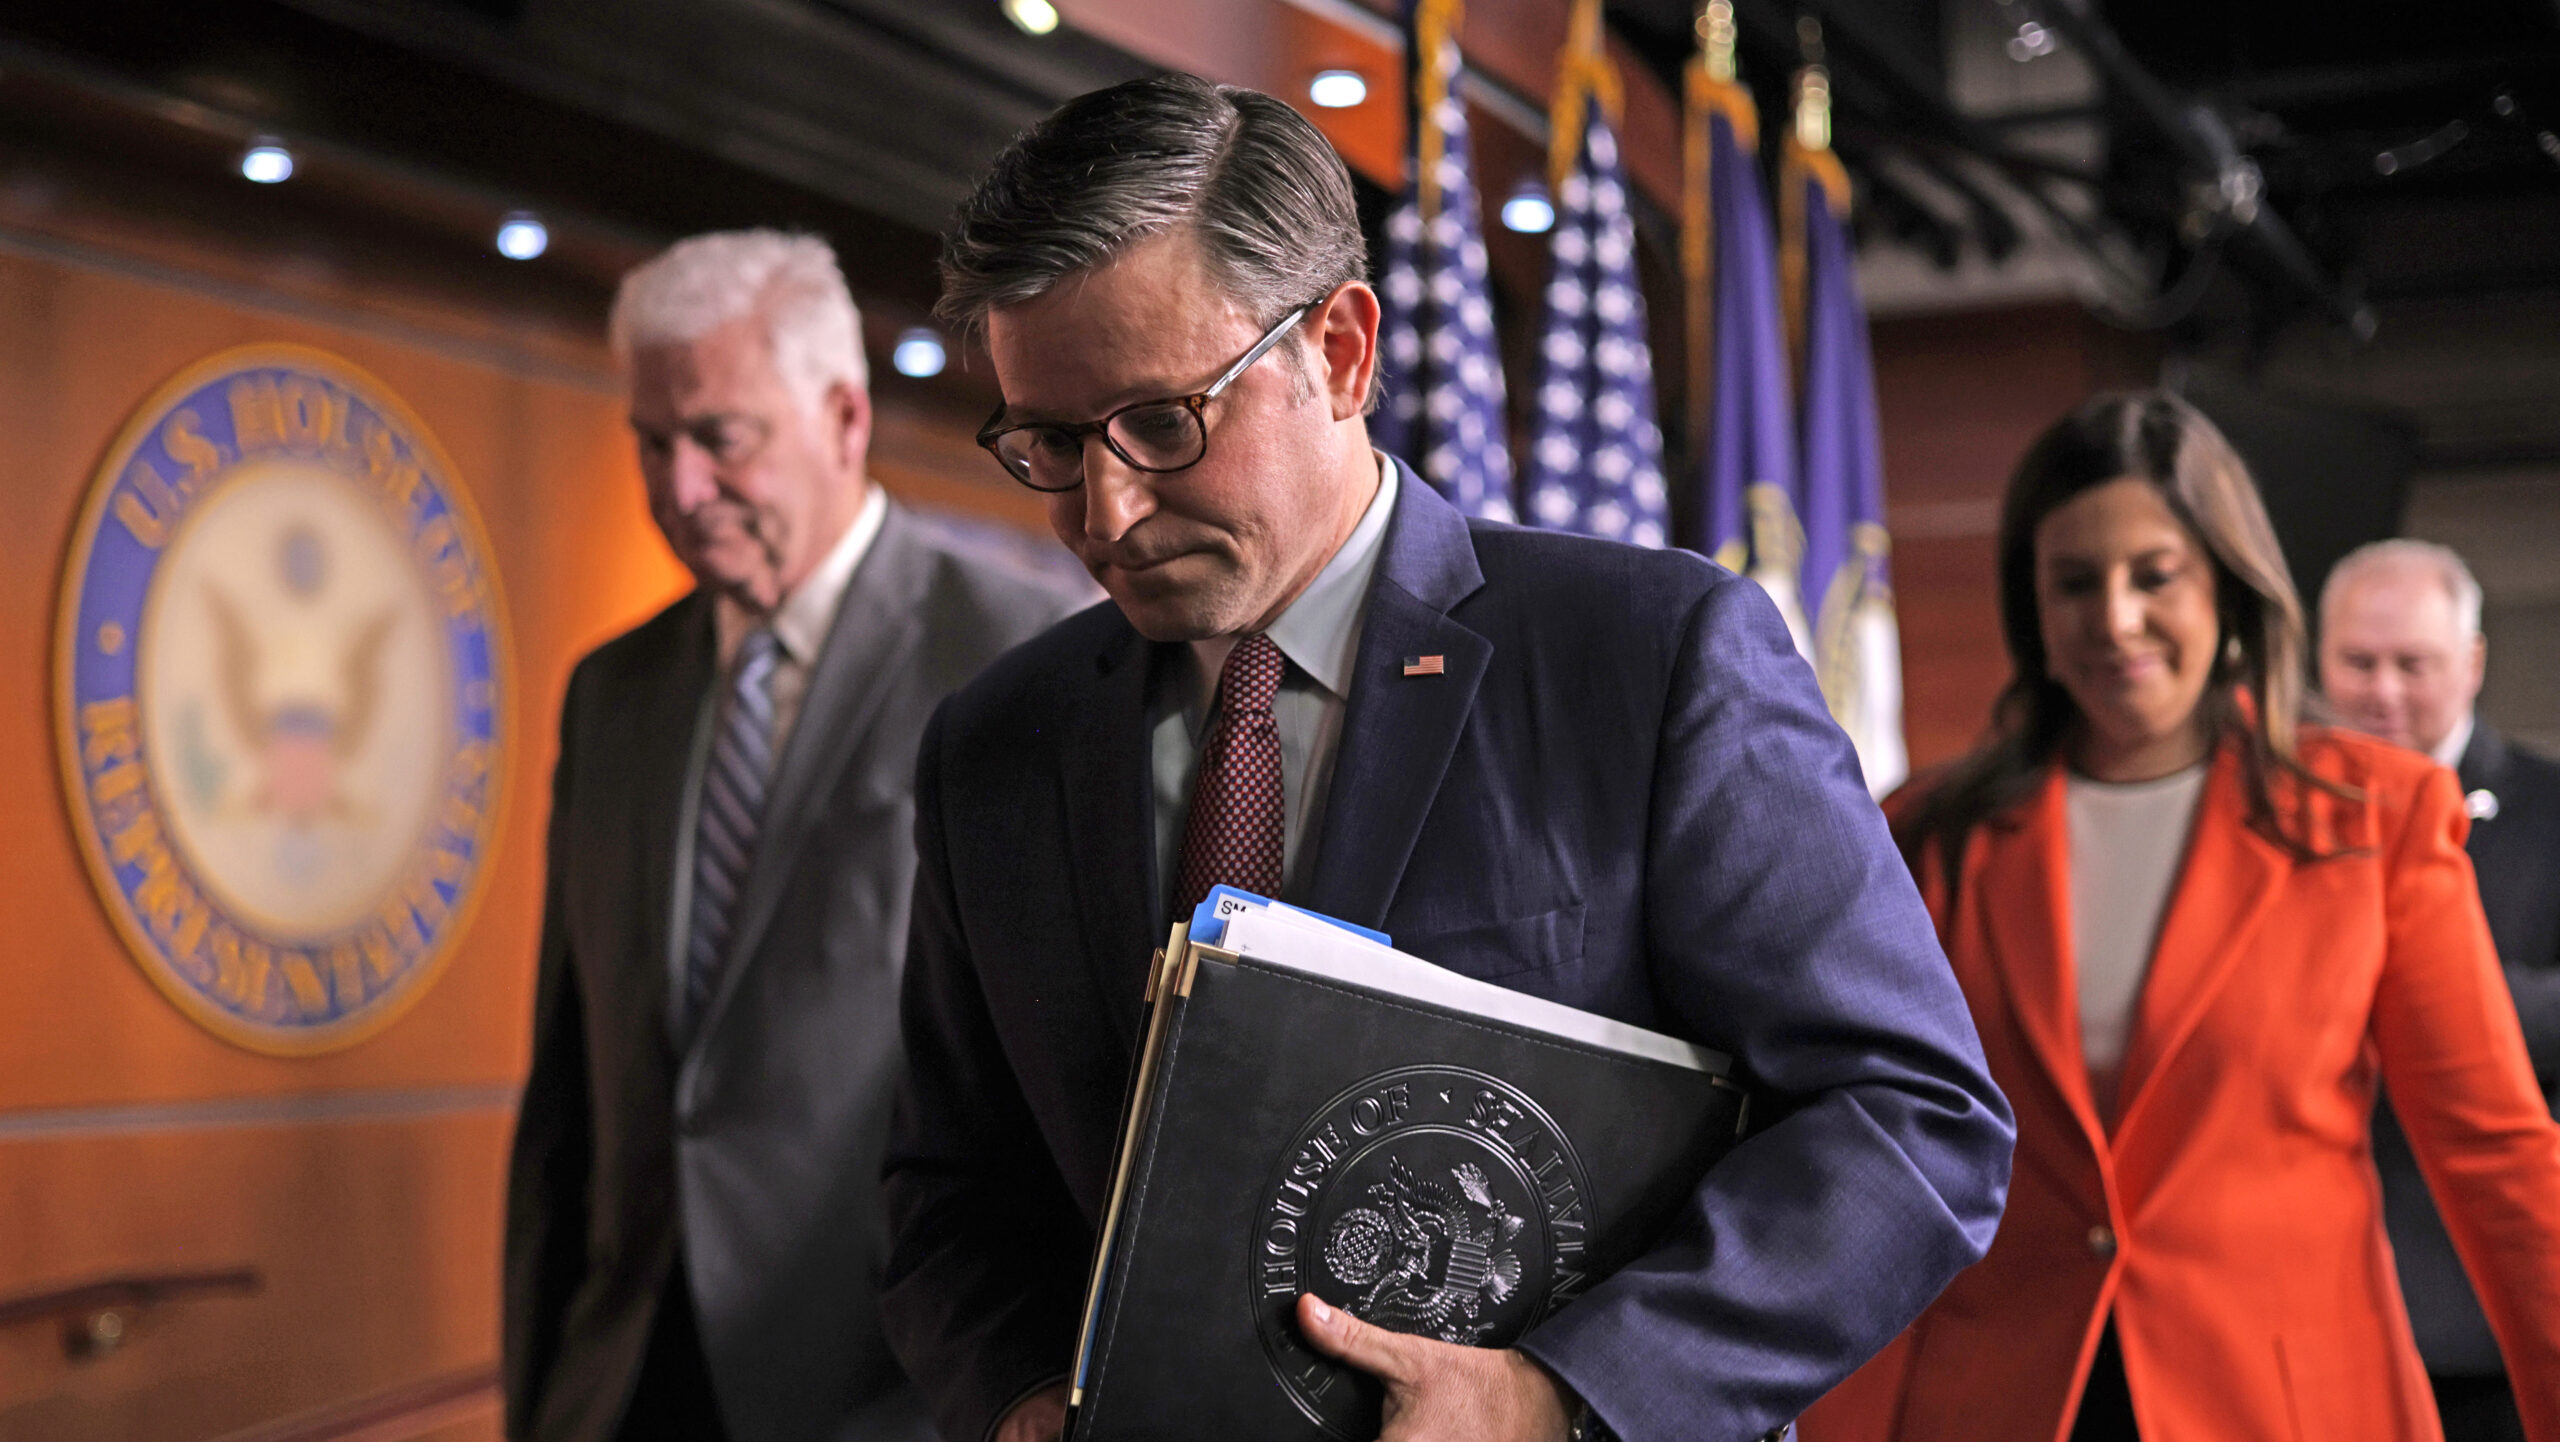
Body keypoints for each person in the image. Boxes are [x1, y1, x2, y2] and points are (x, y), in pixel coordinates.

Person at [879, 74, 2014, 1442]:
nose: (1105, 511)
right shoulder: (994, 748)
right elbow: (952, 1192)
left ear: (1342, 353)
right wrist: (1014, 1396)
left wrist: (1562, 1393)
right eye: (1049, 445)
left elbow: (1913, 1119)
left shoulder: (1648, 660)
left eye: (1163, 424)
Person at [1802, 394, 2560, 1442]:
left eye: (2153, 574)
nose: (2114, 618)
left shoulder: (2373, 818)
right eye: (2074, 582)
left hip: (2282, 1403)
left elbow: (2493, 1154)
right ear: (2032, 605)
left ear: (2225, 580)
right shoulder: (1928, 833)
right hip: (1992, 1394)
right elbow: (1858, 1148)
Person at [502, 230, 1081, 1442]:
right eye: (653, 444)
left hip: (890, 1391)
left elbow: (1064, 1092)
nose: (680, 490)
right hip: (616, 1384)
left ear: (842, 417)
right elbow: (570, 1082)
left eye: (720, 437)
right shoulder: (611, 690)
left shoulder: (1022, 656)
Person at [2322, 539, 2560, 1441]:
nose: (2381, 690)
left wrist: (2428, 1005)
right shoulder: (2276, 818)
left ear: (2471, 666)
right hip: (2319, 1298)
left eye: (2411, 665)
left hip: (2486, 1313)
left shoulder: (2551, 810)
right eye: (2357, 662)